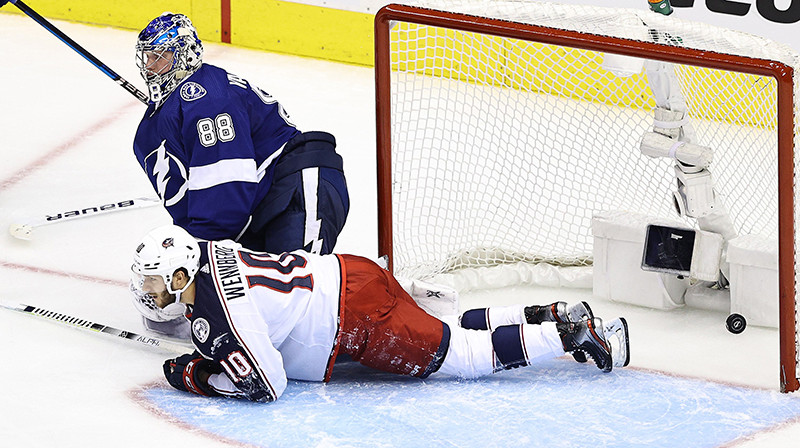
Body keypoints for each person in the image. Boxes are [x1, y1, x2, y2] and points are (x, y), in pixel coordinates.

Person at [131, 225, 630, 402]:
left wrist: (198, 376)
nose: (146, 290)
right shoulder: (211, 251)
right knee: (450, 330)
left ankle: (569, 334)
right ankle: (548, 312)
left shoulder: (222, 312)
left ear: (180, 276)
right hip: (353, 273)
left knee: (465, 357)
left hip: (356, 319)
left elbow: (268, 384)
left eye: (153, 280)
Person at [130, 13, 349, 338]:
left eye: (161, 57)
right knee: (260, 309)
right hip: (258, 209)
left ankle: (409, 310)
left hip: (297, 188)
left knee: (303, 306)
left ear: (185, 55)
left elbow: (225, 193)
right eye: (148, 57)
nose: (151, 66)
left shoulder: (206, 98)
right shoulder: (172, 113)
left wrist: (197, 262)